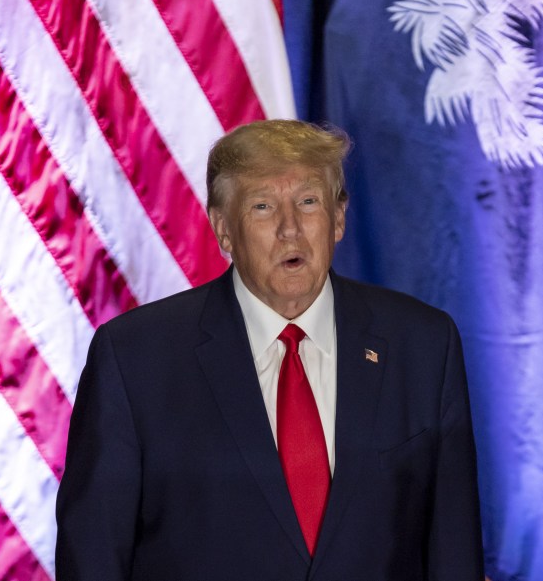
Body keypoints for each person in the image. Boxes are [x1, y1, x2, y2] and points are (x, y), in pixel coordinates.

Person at [55, 120, 484, 580]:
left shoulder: (422, 345)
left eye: (308, 202)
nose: (290, 229)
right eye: (262, 206)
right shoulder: (135, 358)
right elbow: (94, 558)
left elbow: (454, 551)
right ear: (223, 230)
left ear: (338, 218)